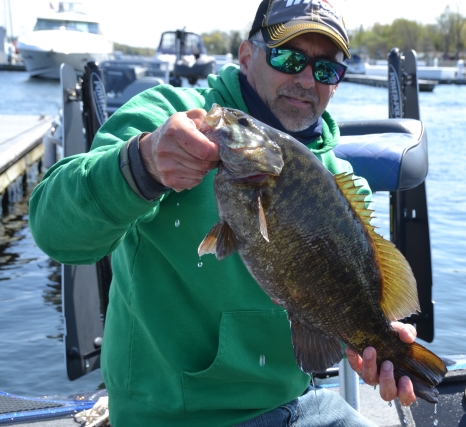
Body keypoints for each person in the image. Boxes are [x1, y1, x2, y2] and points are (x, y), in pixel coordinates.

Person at [29, 0, 418, 425]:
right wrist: (142, 163)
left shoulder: (339, 181)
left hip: (297, 404)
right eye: (288, 58)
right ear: (246, 56)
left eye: (326, 69)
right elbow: (52, 230)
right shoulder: (169, 117)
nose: (307, 79)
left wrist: (373, 340)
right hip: (172, 417)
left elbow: (345, 306)